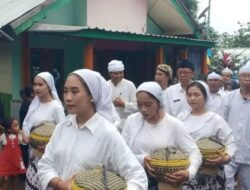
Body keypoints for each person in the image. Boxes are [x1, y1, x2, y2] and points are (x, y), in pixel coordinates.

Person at [38, 69, 148, 190]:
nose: (68, 97)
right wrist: (60, 184)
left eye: (74, 92)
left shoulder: (107, 133)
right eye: (65, 91)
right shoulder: (63, 127)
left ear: (91, 96)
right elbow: (45, 164)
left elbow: (137, 176)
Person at [122, 81, 202, 189]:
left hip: (165, 183)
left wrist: (189, 172)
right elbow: (122, 152)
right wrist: (142, 159)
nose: (143, 109)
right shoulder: (132, 121)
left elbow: (193, 151)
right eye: (139, 105)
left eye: (148, 104)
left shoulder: (174, 125)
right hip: (135, 182)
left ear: (159, 102)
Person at [177, 81, 236, 189]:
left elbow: (230, 142)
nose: (192, 98)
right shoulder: (181, 118)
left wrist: (225, 158)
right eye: (189, 95)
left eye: (196, 94)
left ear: (205, 96)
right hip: (187, 172)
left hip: (210, 174)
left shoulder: (215, 119)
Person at [22, 72, 65, 190]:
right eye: (35, 84)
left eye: (41, 84)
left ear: (49, 86)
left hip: (49, 156)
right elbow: (26, 125)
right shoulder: (34, 104)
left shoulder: (56, 106)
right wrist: (25, 136)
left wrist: (49, 146)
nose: (36, 87)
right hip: (33, 155)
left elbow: (63, 130)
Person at [223, 61, 250, 190]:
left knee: (247, 185)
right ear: (238, 77)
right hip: (229, 149)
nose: (247, 78)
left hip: (248, 151)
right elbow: (223, 121)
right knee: (225, 181)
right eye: (244, 75)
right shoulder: (230, 97)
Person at [107, 60, 137, 132]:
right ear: (110, 74)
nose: (119, 75)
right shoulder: (105, 85)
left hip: (126, 124)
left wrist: (124, 104)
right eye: (116, 73)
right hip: (110, 124)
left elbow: (137, 106)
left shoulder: (130, 85)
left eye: (121, 73)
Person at [0, 118, 26, 190]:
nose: (18, 127)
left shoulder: (19, 136)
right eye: (16, 125)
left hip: (15, 160)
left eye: (18, 125)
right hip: (6, 161)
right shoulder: (3, 137)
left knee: (15, 176)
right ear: (9, 129)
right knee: (5, 178)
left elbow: (26, 141)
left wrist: (23, 133)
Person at [19, 86, 35, 178]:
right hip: (27, 134)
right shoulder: (29, 105)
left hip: (24, 133)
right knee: (26, 156)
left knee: (24, 154)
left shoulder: (25, 103)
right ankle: (25, 175)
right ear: (32, 94)